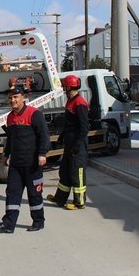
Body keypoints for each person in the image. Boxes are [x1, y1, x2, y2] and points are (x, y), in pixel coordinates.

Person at [0, 86, 49, 233]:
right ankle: (8, 224)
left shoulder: (34, 114)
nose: (13, 100)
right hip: (16, 164)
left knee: (34, 194)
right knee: (12, 193)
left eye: (16, 97)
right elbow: (10, 139)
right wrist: (5, 155)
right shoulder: (10, 117)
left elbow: (44, 135)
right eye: (10, 97)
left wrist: (42, 154)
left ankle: (38, 222)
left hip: (32, 164)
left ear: (23, 97)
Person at [46, 74, 89, 210]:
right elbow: (70, 123)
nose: (64, 89)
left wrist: (77, 144)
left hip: (77, 144)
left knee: (77, 173)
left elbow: (84, 127)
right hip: (70, 143)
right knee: (65, 171)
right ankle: (60, 198)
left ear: (69, 86)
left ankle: (79, 202)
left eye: (65, 86)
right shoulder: (70, 101)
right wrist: (63, 135)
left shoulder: (79, 103)